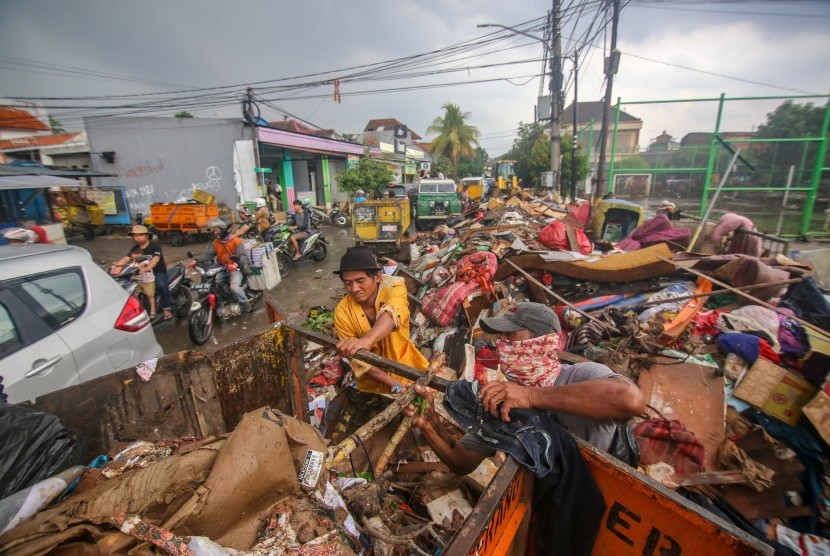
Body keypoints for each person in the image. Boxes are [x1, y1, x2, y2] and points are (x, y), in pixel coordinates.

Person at [404, 302, 644, 474]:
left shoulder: (580, 376)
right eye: (500, 337)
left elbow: (630, 400)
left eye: (511, 336)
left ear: (542, 341)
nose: (502, 345)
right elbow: (463, 462)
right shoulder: (502, 399)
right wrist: (430, 425)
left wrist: (531, 396)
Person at [333, 246, 428, 395]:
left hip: (407, 370)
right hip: (373, 386)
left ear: (377, 277)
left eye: (360, 281)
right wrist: (395, 385)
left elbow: (392, 313)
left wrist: (366, 340)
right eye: (348, 283)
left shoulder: (394, 287)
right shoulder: (342, 312)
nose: (354, 288)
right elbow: (359, 361)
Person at [188, 218, 252, 312]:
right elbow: (208, 254)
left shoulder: (236, 241)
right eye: (214, 230)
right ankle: (221, 301)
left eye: (217, 230)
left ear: (224, 230)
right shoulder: (216, 242)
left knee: (234, 287)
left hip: (235, 269)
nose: (214, 232)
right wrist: (196, 260)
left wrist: (235, 265)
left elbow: (243, 257)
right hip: (221, 269)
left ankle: (245, 303)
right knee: (213, 284)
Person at [115, 226, 173, 320]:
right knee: (129, 287)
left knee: (161, 285)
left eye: (141, 235)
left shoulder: (155, 246)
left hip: (157, 272)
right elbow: (126, 258)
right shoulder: (135, 248)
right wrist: (115, 267)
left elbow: (156, 259)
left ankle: (166, 308)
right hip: (141, 274)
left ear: (147, 236)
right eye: (135, 235)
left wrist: (148, 267)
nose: (138, 237)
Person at [128, 245, 156, 318]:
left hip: (148, 281)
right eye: (133, 258)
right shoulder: (134, 263)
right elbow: (128, 268)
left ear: (142, 256)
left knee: (150, 296)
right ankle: (138, 308)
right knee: (135, 295)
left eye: (137, 258)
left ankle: (153, 309)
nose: (135, 260)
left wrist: (143, 267)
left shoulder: (146, 261)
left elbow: (146, 263)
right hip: (139, 281)